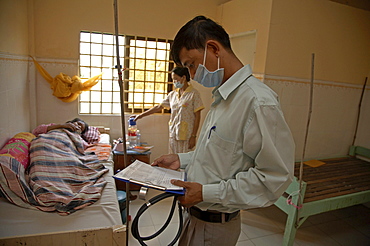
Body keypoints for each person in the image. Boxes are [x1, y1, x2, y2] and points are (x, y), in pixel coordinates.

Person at [152, 16, 295, 246]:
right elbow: (218, 156)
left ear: (213, 49)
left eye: (191, 64)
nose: (191, 74)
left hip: (216, 227)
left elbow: (274, 178)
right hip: (195, 218)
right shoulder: (223, 98)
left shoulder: (257, 102)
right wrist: (181, 159)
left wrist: (205, 194)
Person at [133, 67, 204, 154]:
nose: (174, 82)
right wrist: (140, 116)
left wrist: (193, 136)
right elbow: (159, 107)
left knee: (184, 161)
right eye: (173, 79)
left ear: (184, 78)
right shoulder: (172, 94)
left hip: (187, 135)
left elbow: (197, 116)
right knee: (172, 159)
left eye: (175, 79)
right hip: (173, 133)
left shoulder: (194, 94)